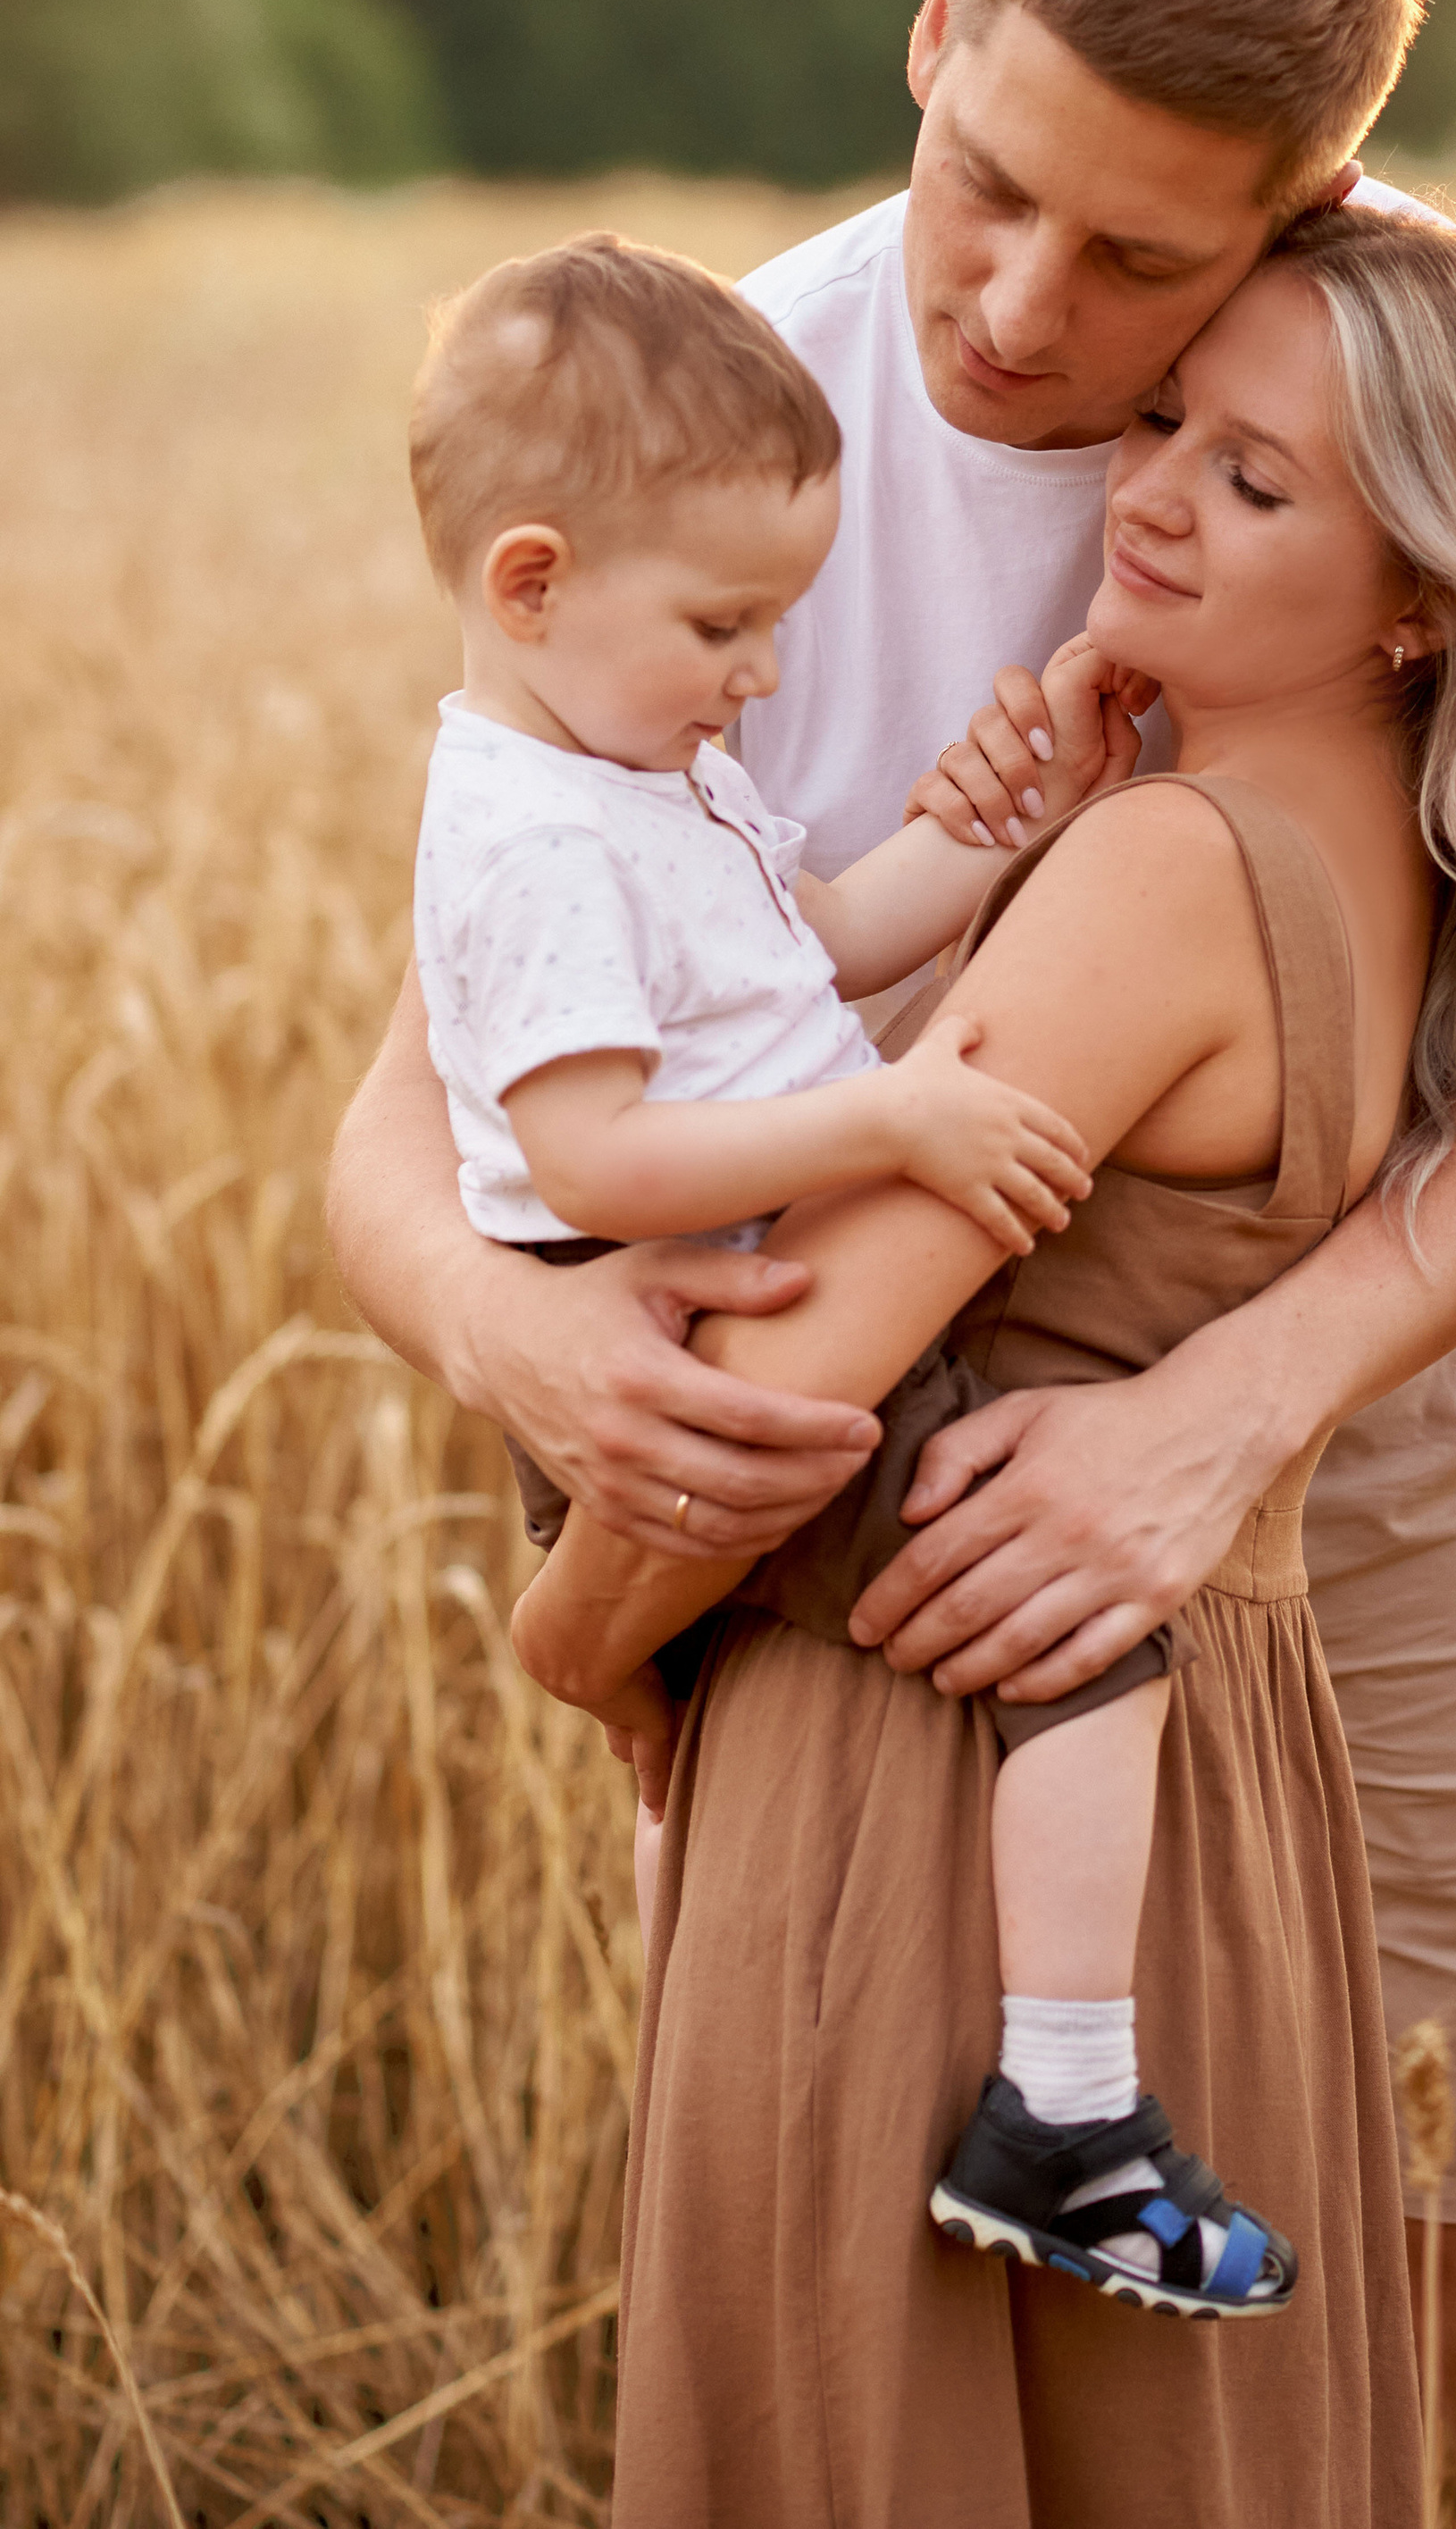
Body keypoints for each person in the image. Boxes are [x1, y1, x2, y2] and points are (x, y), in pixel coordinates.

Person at [327, 0, 1456, 2525]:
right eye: (989, 182)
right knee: (871, 2325)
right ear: (942, 28)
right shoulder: (711, 409)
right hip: (822, 1461)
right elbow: (415, 1100)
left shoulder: (1401, 390)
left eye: (1141, 265)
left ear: (1315, 207)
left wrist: (1228, 1422)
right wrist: (545, 1356)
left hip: (1361, 1417)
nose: (1014, 304)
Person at [599, 204, 1456, 2522]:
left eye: (1247, 473)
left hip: (1054, 1607)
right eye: (1160, 433)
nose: (1045, 340)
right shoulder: (731, 401)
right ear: (939, 42)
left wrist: (581, 1637)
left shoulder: (1383, 337)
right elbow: (491, 968)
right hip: (1129, 1655)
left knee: (917, 2399)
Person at [408, 223, 1298, 2313]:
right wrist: (890, 1127)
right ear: (530, 584)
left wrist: (1009, 828)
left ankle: (701, 2059)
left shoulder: (629, 767)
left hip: (759, 1331)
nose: (766, 676)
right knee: (1081, 1643)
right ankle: (1069, 2110)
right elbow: (591, 1151)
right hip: (709, 1370)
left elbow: (806, 951)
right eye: (726, 625)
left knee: (692, 1726)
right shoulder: (532, 841)